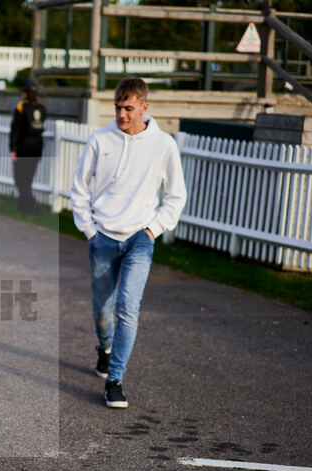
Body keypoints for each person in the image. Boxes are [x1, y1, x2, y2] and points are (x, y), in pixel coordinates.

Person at [70, 76, 187, 409]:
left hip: (139, 238)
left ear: (144, 107)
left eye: (129, 109)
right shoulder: (99, 139)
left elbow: (176, 196)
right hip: (103, 236)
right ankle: (105, 349)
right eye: (118, 108)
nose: (122, 115)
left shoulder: (163, 144)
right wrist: (90, 230)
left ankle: (115, 380)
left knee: (128, 309)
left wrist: (153, 230)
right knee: (103, 311)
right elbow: (79, 189)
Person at [9, 79, 46, 214]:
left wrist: (13, 148)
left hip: (24, 147)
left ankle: (30, 204)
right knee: (28, 178)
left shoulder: (21, 107)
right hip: (37, 147)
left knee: (20, 178)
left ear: (24, 92)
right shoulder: (41, 107)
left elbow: (16, 129)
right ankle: (24, 206)